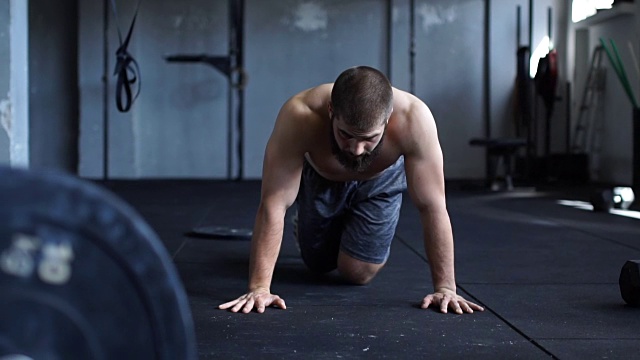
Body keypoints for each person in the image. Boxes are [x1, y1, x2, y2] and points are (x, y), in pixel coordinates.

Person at [219, 66, 484, 315]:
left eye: (369, 138)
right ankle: (308, 224)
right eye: (346, 135)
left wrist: (446, 288)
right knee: (318, 265)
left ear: (388, 119)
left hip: (381, 179)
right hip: (321, 176)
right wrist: (259, 288)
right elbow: (273, 203)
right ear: (331, 111)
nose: (356, 149)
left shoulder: (415, 119)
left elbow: (433, 205)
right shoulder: (300, 114)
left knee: (357, 273)